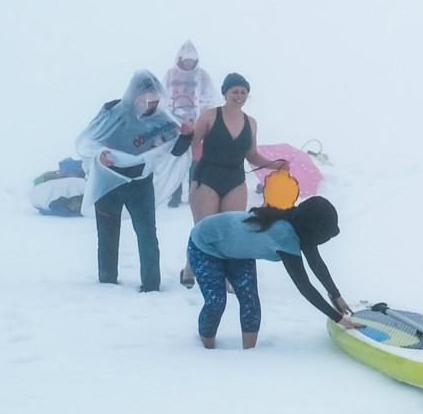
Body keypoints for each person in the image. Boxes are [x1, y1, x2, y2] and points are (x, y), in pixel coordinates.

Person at [187, 197, 352, 348]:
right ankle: (207, 351)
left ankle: (250, 355)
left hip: (238, 251)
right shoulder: (284, 235)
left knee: (250, 303)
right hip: (205, 244)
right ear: (313, 230)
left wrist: (336, 295)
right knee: (216, 301)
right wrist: (337, 318)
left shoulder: (298, 226)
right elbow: (304, 286)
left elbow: (316, 264)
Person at [179, 73, 287, 287]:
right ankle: (191, 268)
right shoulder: (210, 115)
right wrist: (194, 169)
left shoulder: (251, 123)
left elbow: (252, 155)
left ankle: (226, 276)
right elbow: (195, 143)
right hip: (207, 176)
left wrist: (276, 164)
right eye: (234, 91)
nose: (239, 96)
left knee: (230, 231)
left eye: (243, 92)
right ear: (225, 93)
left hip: (235, 179)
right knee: (203, 228)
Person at [75, 70, 179, 291]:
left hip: (140, 185)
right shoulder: (111, 111)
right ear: (134, 94)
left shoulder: (161, 120)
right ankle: (107, 281)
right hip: (109, 183)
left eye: (155, 98)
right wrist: (99, 154)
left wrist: (187, 135)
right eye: (146, 97)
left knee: (147, 234)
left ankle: (151, 284)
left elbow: (175, 148)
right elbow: (88, 141)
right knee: (107, 234)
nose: (151, 102)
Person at [162, 42, 213, 206]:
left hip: (197, 124)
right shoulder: (170, 75)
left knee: (195, 160)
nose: (189, 63)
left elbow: (210, 98)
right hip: (175, 125)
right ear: (180, 59)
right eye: (187, 60)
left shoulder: (202, 76)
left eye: (192, 60)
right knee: (176, 160)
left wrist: (204, 117)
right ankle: (174, 195)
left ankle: (193, 193)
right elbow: (163, 97)